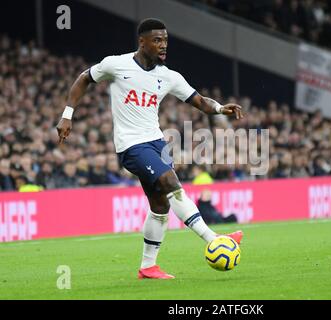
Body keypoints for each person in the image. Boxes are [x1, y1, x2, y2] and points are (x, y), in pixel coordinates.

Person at [56, 18, 244, 280]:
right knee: (170, 182)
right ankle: (214, 239)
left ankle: (148, 267)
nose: (163, 45)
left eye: (165, 40)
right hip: (131, 145)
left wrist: (220, 108)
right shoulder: (116, 64)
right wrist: (67, 114)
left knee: (159, 205)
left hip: (156, 142)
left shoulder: (168, 76)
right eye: (157, 40)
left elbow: (199, 100)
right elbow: (84, 79)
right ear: (142, 42)